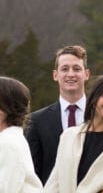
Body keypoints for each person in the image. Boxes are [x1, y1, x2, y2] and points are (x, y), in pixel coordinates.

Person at [26, 45, 91, 184]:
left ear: (87, 74)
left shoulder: (99, 115)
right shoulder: (37, 120)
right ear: (55, 75)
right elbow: (33, 169)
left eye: (77, 69)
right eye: (65, 69)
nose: (71, 74)